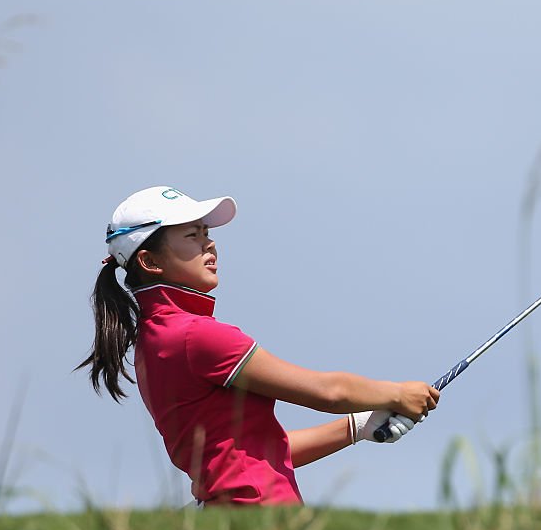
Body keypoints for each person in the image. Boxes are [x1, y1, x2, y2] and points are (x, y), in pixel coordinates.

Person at [77, 186, 439, 506]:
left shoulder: (156, 337)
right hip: (262, 514)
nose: (210, 242)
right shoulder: (196, 335)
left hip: (235, 519)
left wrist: (356, 426)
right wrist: (398, 393)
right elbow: (329, 392)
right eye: (192, 235)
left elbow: (255, 455)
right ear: (150, 261)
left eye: (206, 232)